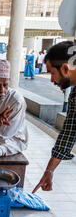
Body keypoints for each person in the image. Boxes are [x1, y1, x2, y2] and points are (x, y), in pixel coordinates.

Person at [33, 41, 76, 193]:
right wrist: (49, 171)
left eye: (52, 73)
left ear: (65, 68)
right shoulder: (74, 95)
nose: (51, 80)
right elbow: (68, 134)